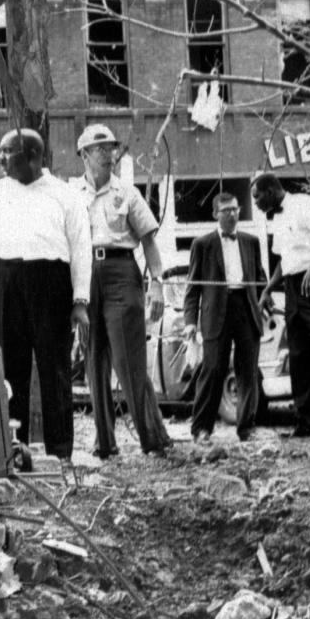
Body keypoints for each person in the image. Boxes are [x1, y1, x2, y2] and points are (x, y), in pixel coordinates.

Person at [0, 128, 91, 472]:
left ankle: (61, 452)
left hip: (50, 283)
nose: (0, 159)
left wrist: (80, 300)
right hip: (5, 281)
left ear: (32, 155)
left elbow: (80, 247)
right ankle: (16, 449)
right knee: (10, 370)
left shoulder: (65, 195)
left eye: (7, 152)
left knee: (54, 367)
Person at [70, 124, 171, 458]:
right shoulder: (70, 194)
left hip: (121, 272)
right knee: (93, 359)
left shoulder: (126, 193)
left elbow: (149, 241)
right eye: (100, 149)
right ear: (84, 154)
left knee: (130, 360)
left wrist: (157, 283)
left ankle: (153, 440)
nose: (108, 154)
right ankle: (105, 443)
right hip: (84, 275)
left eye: (111, 148)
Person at [251, 172, 310, 440]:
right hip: (293, 289)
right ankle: (306, 424)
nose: (256, 204)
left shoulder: (304, 204)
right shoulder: (278, 218)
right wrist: (269, 288)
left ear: (271, 190)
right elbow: (285, 259)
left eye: (257, 197)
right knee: (299, 357)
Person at [183, 192, 267, 444]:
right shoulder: (203, 244)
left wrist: (266, 301)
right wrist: (190, 323)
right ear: (215, 215)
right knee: (212, 370)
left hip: (245, 309)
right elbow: (193, 288)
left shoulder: (251, 242)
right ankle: (201, 429)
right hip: (216, 313)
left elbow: (260, 279)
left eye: (235, 209)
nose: (232, 214)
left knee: (248, 371)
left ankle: (246, 428)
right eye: (226, 211)